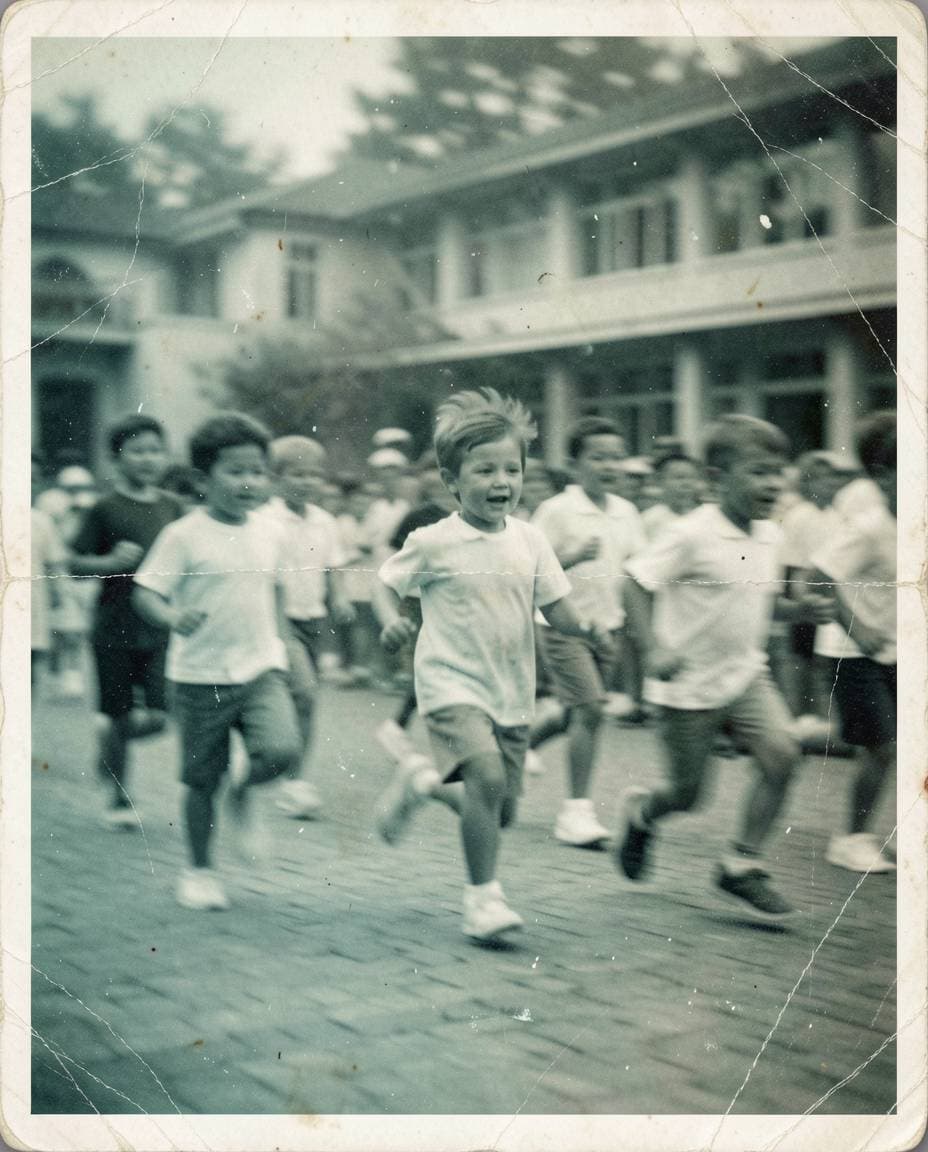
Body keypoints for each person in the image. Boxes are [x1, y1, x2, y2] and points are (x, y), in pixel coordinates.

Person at [374, 388, 610, 941]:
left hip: (511, 689)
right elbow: (386, 584)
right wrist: (390, 620)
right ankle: (483, 900)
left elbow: (559, 609)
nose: (500, 481)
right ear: (453, 482)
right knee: (483, 776)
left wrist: (589, 631)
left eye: (511, 469)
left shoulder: (531, 541)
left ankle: (423, 783)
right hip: (449, 682)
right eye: (483, 470)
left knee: (495, 808)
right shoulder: (432, 541)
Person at [615, 414, 832, 924]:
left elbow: (759, 602)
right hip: (687, 684)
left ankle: (740, 863)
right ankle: (642, 814)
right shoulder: (689, 534)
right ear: (717, 478)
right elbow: (632, 583)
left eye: (778, 471)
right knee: (689, 796)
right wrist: (653, 650)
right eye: (758, 472)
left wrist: (798, 610)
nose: (773, 483)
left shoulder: (770, 535)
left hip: (745, 676)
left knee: (783, 754)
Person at [133, 412, 301, 911]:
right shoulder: (185, 534)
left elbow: (274, 592)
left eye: (257, 471)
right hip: (199, 676)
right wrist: (171, 616)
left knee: (282, 750)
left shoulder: (271, 531)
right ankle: (200, 870)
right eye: (235, 471)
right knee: (201, 779)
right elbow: (146, 592)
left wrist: (287, 647)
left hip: (260, 669)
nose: (249, 482)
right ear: (204, 479)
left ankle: (244, 793)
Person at [528, 416, 645, 847]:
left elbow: (638, 569)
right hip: (562, 625)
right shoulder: (557, 510)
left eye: (616, 457)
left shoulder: (627, 512)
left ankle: (520, 746)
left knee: (577, 708)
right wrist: (572, 556)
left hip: (606, 628)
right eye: (598, 456)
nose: (609, 465)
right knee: (591, 709)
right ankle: (575, 812)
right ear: (575, 463)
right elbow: (529, 567)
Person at [70, 416, 184, 826]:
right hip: (113, 628)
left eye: (155, 450)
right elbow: (73, 563)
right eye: (138, 451)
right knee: (119, 713)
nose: (148, 459)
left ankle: (110, 745)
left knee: (159, 715)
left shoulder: (173, 507)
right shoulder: (104, 508)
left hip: (160, 628)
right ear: (117, 459)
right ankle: (118, 798)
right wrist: (108, 562)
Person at [809, 412, 897, 873]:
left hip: (895, 651)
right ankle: (849, 838)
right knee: (881, 747)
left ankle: (871, 834)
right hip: (851, 652)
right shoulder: (867, 525)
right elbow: (819, 578)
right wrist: (858, 628)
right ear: (883, 477)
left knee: (890, 746)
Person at [258, 435, 354, 819]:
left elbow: (334, 566)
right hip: (272, 620)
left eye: (314, 475)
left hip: (311, 617)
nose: (307, 482)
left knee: (304, 702)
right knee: (305, 693)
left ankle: (294, 777)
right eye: (298, 474)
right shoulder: (265, 518)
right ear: (278, 477)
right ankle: (289, 779)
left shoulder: (325, 521)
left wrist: (341, 598)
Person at [31, 453, 67, 689]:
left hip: (30, 608)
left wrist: (57, 593)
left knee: (27, 673)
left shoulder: (40, 521)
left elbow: (53, 562)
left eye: (31, 479)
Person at [641, 452, 704, 541]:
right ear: (660, 480)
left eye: (692, 477)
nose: (687, 484)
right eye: (679, 477)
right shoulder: (649, 519)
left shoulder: (704, 517)